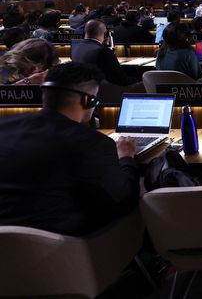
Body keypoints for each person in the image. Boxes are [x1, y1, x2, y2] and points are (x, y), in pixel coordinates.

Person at [0, 62, 139, 235]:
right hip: (64, 249)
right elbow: (124, 201)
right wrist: (126, 158)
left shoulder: (4, 126)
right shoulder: (93, 143)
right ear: (88, 100)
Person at [71, 20, 137, 86]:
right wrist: (137, 80)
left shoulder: (75, 47)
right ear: (105, 34)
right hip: (107, 92)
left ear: (85, 32)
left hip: (84, 90)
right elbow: (122, 80)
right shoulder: (104, 51)